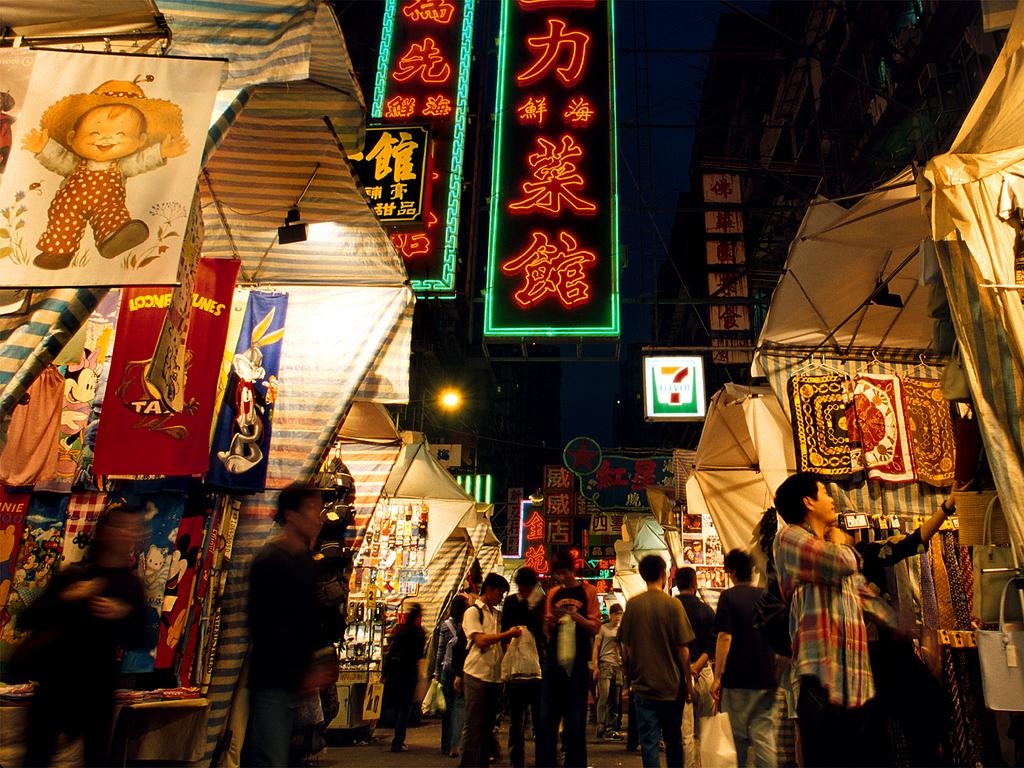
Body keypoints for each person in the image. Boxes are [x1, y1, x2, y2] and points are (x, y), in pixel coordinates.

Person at [17, 504, 146, 767]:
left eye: (132, 529)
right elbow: (27, 619)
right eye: (120, 526)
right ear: (104, 531)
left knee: (95, 759)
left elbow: (141, 639)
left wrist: (122, 615)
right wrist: (68, 597)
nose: (126, 534)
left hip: (98, 689)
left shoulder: (131, 585)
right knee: (36, 758)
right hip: (55, 685)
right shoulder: (76, 574)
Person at [773, 473, 873, 768]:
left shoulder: (822, 549)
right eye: (825, 493)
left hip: (854, 682)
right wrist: (840, 541)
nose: (832, 500)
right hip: (821, 679)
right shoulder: (789, 538)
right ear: (808, 502)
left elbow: (863, 591)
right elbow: (843, 563)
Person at [855, 493, 956, 766]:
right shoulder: (815, 564)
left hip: (890, 657)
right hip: (858, 665)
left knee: (928, 717)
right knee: (872, 741)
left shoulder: (866, 553)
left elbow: (912, 542)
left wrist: (946, 507)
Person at [245, 484, 337, 767]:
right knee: (270, 759)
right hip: (273, 682)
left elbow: (308, 621)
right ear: (292, 516)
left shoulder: (306, 563)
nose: (318, 518)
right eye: (311, 509)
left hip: (295, 683)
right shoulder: (270, 561)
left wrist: (318, 662)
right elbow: (264, 626)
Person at [619, 555, 695, 768]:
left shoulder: (633, 606)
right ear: (663, 575)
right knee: (673, 740)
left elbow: (627, 649)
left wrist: (629, 680)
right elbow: (683, 651)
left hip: (643, 686)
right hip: (671, 687)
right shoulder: (673, 605)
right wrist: (688, 683)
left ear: (643, 575)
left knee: (649, 742)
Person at [711, 549, 779, 768]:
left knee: (737, 738)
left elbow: (724, 638)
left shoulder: (728, 597)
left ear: (731, 572)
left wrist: (717, 676)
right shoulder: (765, 596)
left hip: (737, 678)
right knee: (765, 738)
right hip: (766, 679)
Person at [537, 550, 601, 768]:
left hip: (579, 663)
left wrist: (575, 617)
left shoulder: (588, 592)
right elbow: (546, 631)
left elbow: (594, 627)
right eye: (557, 574)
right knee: (547, 718)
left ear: (572, 570)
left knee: (575, 719)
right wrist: (550, 623)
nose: (561, 577)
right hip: (554, 663)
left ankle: (575, 763)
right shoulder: (553, 593)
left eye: (564, 572)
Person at [461, 572, 520, 768]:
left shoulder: (496, 614)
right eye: (500, 592)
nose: (501, 597)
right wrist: (508, 633)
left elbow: (500, 644)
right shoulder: (473, 612)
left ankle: (482, 761)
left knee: (487, 725)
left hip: (494, 677)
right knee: (474, 724)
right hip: (476, 674)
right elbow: (480, 639)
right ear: (489, 589)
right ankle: (468, 763)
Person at [501, 567, 545, 768]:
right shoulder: (511, 602)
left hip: (537, 669)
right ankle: (516, 760)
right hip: (516, 669)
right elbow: (504, 631)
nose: (524, 591)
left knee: (539, 719)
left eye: (527, 588)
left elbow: (544, 635)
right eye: (522, 587)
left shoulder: (541, 603)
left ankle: (541, 759)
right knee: (516, 719)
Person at [674, 566, 715, 767]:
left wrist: (688, 669)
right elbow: (712, 645)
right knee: (706, 727)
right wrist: (697, 667)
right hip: (704, 671)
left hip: (678, 674)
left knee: (686, 731)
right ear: (694, 583)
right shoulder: (705, 609)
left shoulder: (671, 608)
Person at [385, 602, 428, 752]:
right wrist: (422, 678)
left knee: (397, 705)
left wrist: (385, 672)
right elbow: (419, 657)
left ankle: (394, 737)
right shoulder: (419, 633)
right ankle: (398, 740)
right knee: (405, 707)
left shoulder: (400, 630)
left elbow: (391, 652)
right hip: (409, 672)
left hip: (396, 672)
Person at [437, 596, 468, 758]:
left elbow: (441, 650)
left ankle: (445, 744)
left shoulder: (445, 625)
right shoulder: (466, 625)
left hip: (446, 669)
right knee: (458, 707)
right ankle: (454, 745)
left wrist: (436, 671)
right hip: (460, 670)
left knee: (447, 710)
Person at [592, 602, 624, 740]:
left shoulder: (622, 630)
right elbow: (596, 647)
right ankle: (601, 726)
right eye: (616, 614)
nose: (618, 617)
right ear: (611, 615)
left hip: (618, 666)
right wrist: (595, 666)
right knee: (603, 697)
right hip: (605, 664)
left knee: (615, 699)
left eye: (620, 614)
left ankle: (611, 728)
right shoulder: (603, 629)